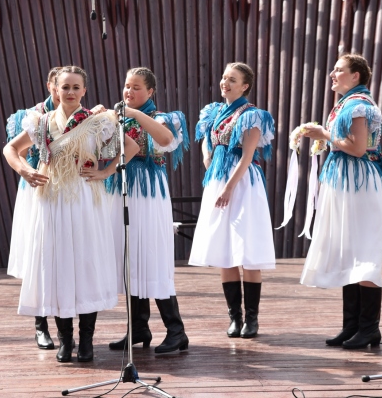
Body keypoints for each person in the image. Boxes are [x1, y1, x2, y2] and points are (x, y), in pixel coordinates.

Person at [3, 66, 139, 363]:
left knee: (84, 263)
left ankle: (87, 340)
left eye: (76, 87)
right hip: (51, 198)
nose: (70, 92)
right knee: (57, 264)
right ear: (55, 88)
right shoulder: (41, 122)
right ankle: (66, 340)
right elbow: (10, 150)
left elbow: (130, 145)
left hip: (83, 198)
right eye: (65, 87)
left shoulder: (96, 122)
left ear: (84, 91)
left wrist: (105, 172)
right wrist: (26, 170)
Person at [298, 53, 382, 349]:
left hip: (360, 182)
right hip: (349, 181)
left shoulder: (358, 105)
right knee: (351, 249)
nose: (333, 73)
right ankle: (352, 326)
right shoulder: (348, 103)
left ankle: (369, 328)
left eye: (339, 70)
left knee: (364, 252)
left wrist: (323, 134)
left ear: (356, 76)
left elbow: (356, 149)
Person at [105, 67, 190, 354]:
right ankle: (138, 327)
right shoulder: (117, 119)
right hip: (123, 189)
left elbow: (165, 141)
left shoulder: (163, 118)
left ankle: (176, 331)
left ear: (151, 91)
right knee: (130, 256)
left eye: (136, 87)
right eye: (127, 86)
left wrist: (135, 114)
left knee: (152, 256)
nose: (129, 91)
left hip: (149, 193)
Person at [188, 63, 275, 339]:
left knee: (246, 249)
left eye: (232, 79)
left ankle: (252, 319)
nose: (225, 82)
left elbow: (248, 156)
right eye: (224, 77)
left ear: (245, 86)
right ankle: (234, 317)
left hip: (242, 183)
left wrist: (228, 187)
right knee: (225, 249)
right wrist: (206, 154)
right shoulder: (214, 111)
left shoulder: (252, 115)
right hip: (218, 180)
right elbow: (206, 137)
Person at [5, 66, 61, 350]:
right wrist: (27, 171)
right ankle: (40, 325)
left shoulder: (79, 115)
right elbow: (16, 151)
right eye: (58, 83)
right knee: (36, 254)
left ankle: (68, 327)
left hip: (66, 192)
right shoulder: (32, 116)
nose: (63, 89)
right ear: (50, 85)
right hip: (36, 188)